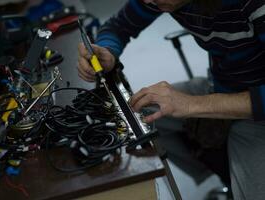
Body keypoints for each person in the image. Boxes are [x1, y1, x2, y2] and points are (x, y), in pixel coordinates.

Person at [78, 0, 265, 199]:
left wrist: (194, 104)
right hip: (222, 85)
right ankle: (223, 175)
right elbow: (119, 26)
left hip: (258, 115)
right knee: (141, 115)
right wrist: (107, 52)